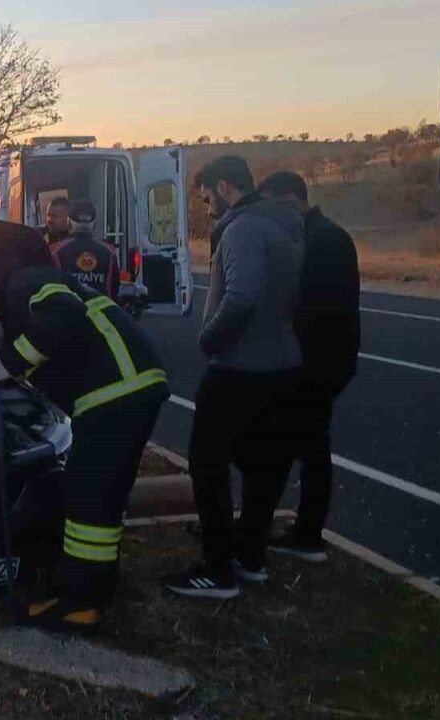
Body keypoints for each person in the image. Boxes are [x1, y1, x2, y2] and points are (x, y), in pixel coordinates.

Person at [0, 262, 169, 633]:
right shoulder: (27, 287)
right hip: (126, 389)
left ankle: (81, 602)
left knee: (90, 497)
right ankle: (88, 591)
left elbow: (65, 314)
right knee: (98, 496)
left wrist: (8, 362)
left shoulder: (25, 280)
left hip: (116, 391)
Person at [162, 155, 304, 599]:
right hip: (281, 367)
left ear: (225, 188)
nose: (206, 208)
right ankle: (250, 557)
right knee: (264, 466)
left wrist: (209, 339)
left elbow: (240, 298)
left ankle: (218, 569)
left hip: (239, 369)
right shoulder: (285, 226)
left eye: (206, 197)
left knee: (207, 463)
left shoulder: (243, 229)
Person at [258, 170, 360, 563]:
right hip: (317, 359)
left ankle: (307, 534)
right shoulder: (321, 236)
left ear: (290, 199)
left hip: (315, 362)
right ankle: (294, 528)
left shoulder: (324, 240)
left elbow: (316, 311)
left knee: (307, 445)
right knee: (301, 443)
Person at [48, 197, 120, 299]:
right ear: (94, 224)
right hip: (102, 313)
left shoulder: (54, 250)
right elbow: (115, 290)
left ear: (69, 223)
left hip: (67, 311)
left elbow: (49, 287)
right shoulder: (110, 251)